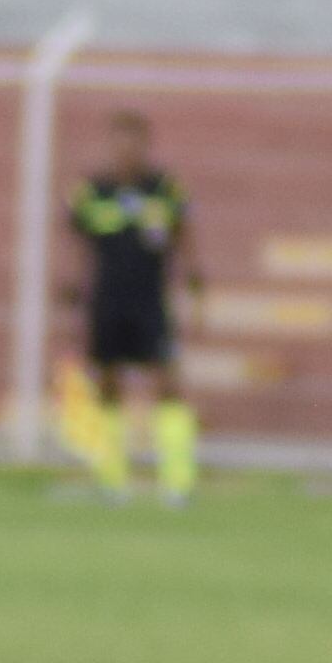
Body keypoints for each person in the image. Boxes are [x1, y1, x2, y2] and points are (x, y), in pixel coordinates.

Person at [59, 112, 205, 505]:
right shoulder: (91, 190)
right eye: (118, 142)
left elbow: (185, 236)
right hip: (107, 301)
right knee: (107, 385)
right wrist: (71, 290)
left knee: (167, 384)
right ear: (109, 145)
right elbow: (78, 243)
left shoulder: (165, 189)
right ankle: (112, 479)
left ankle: (177, 481)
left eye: (134, 141)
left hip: (150, 303)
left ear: (145, 144)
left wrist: (195, 285)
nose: (126, 150)